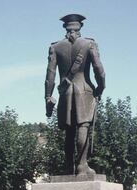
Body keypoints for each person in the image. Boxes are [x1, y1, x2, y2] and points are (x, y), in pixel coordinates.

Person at [45, 14, 105, 175]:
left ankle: (67, 167)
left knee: (69, 132)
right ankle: (82, 165)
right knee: (83, 126)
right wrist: (101, 87)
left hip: (65, 92)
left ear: (65, 27)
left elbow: (50, 75)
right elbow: (99, 70)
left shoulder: (55, 47)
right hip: (84, 91)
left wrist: (48, 97)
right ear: (80, 27)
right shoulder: (89, 44)